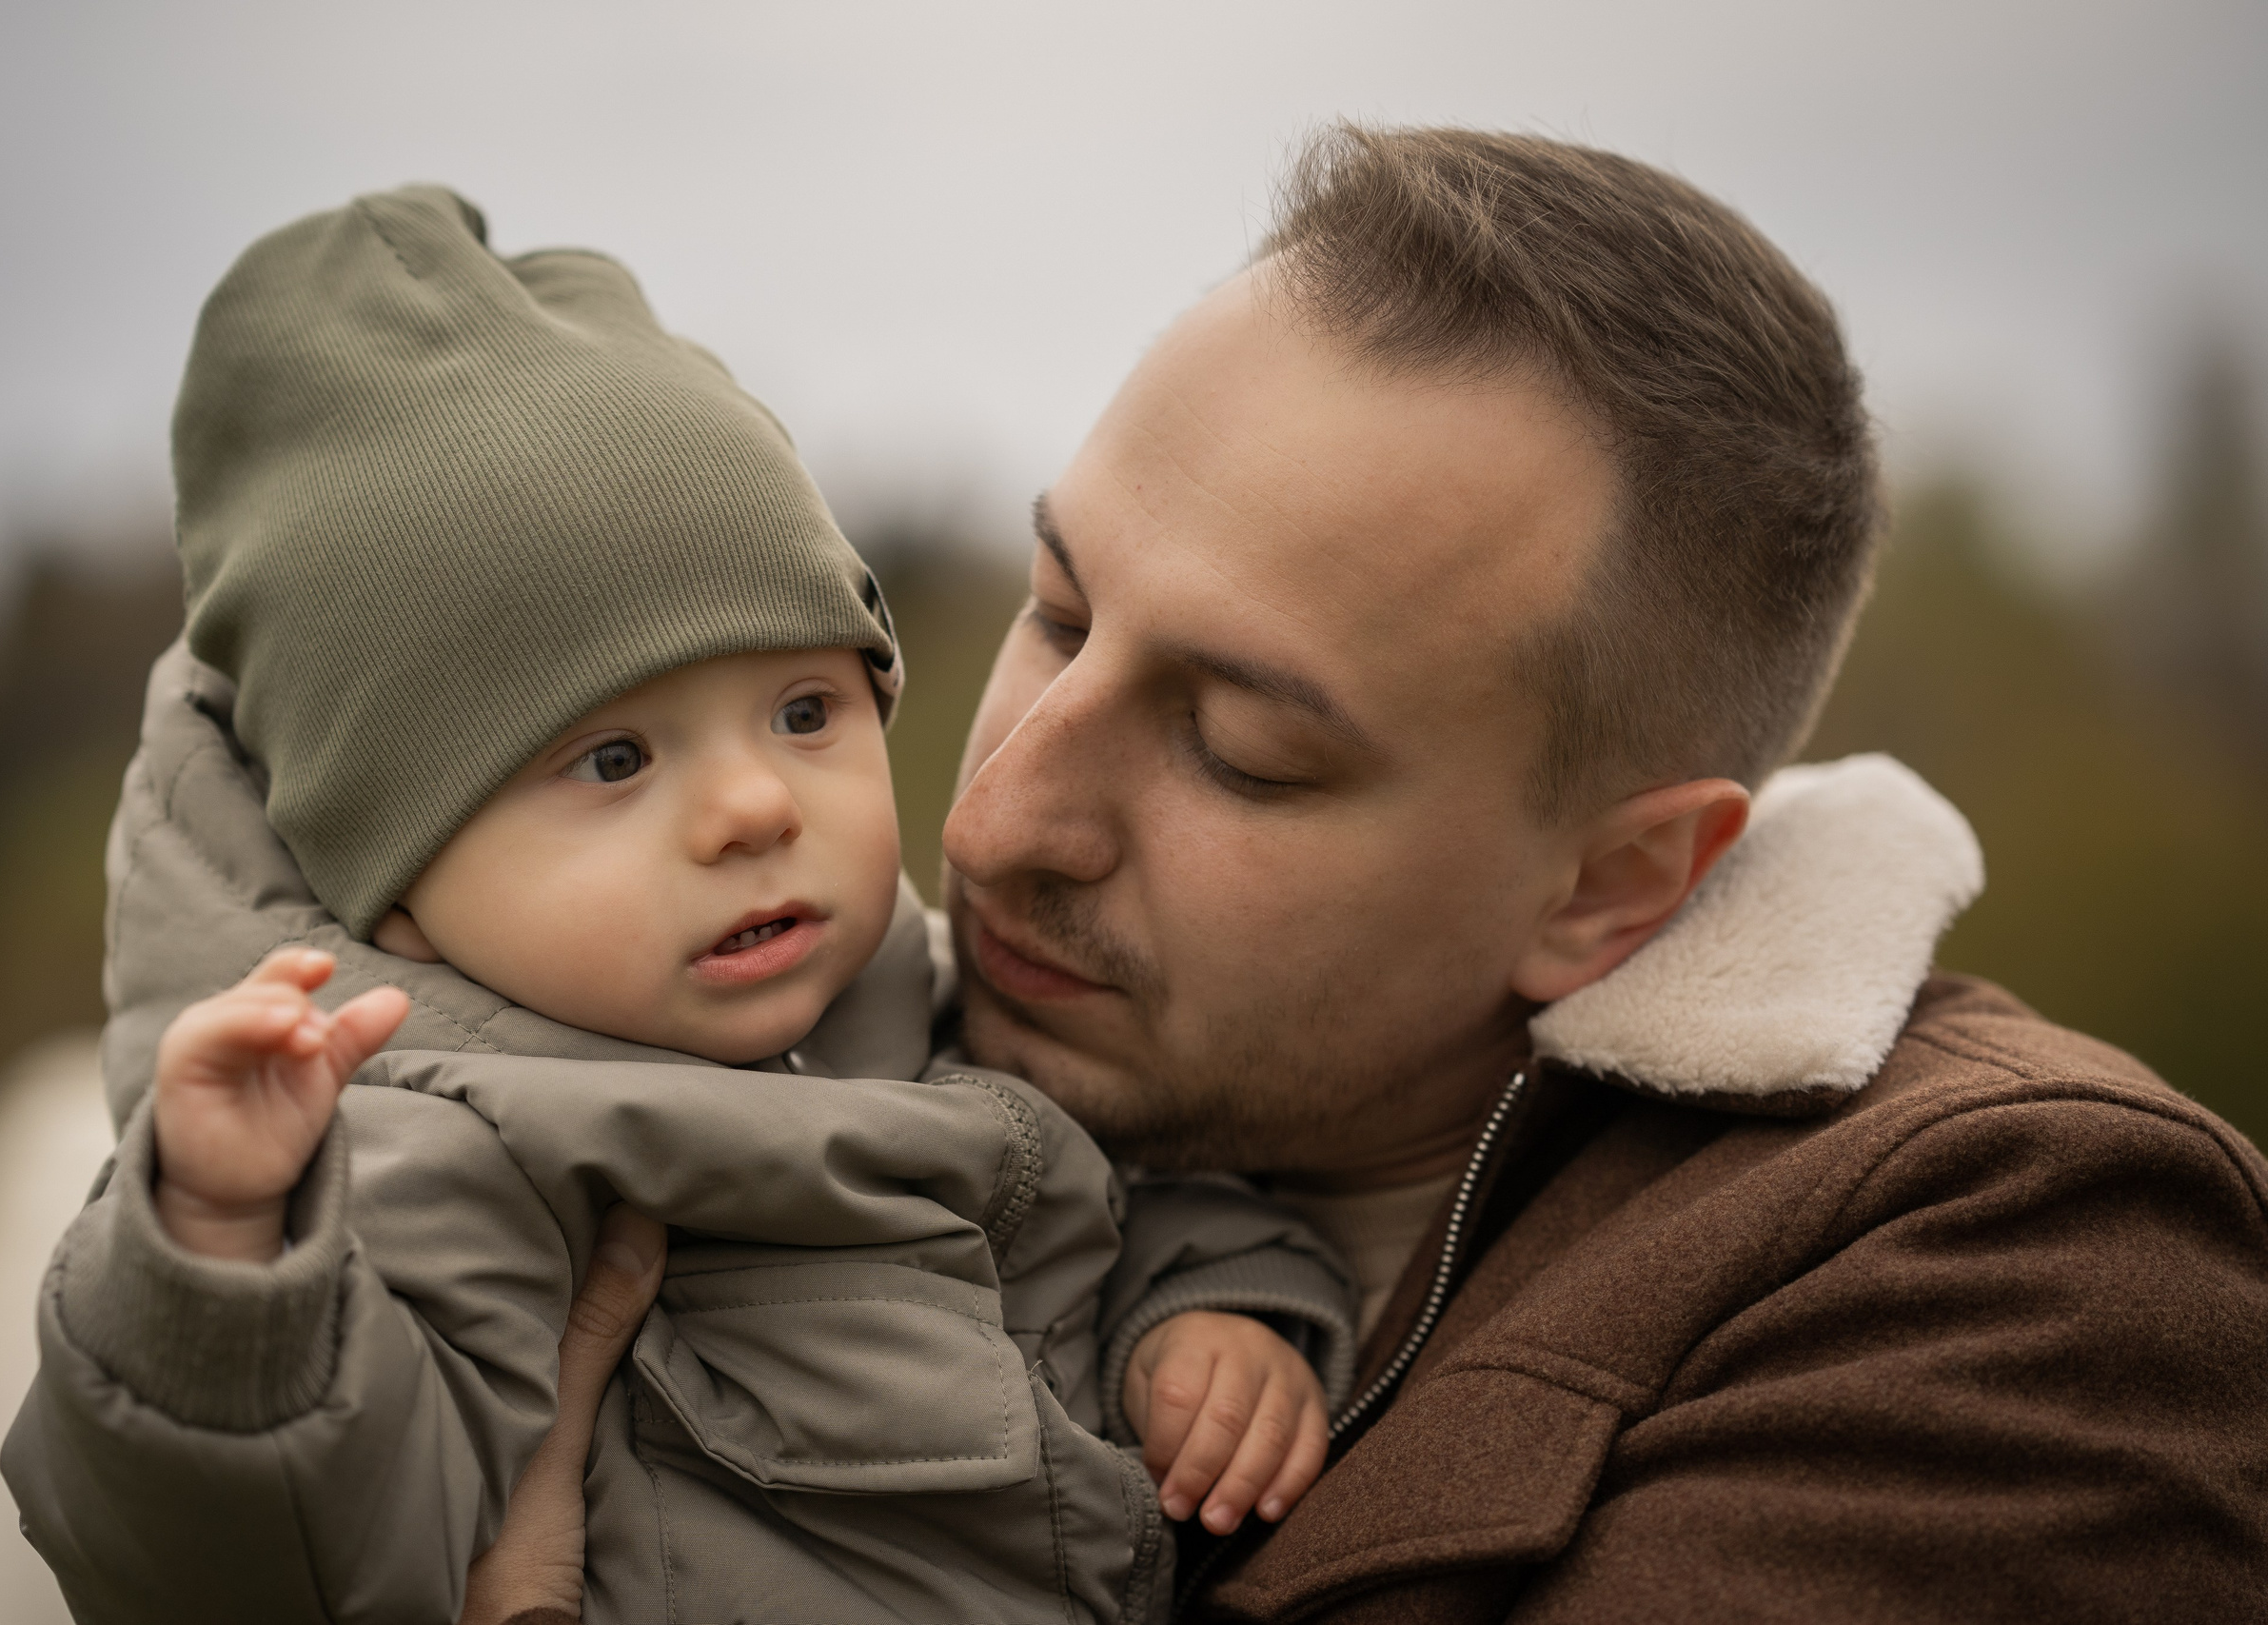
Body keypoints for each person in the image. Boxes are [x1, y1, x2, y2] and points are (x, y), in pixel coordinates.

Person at [926, 125, 2268, 1619]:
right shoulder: (767, 1034)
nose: (994, 824)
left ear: (1610, 887)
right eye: (1057, 613)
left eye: (1242, 748)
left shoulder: (2016, 1263)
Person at [1, 185, 1362, 1625]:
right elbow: (260, 1551)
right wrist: (217, 1264)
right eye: (613, 758)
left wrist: (1207, 1319)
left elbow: (1131, 1206)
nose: (754, 809)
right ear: (391, 886)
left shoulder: (948, 1018)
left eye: (800, 709)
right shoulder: (436, 1167)